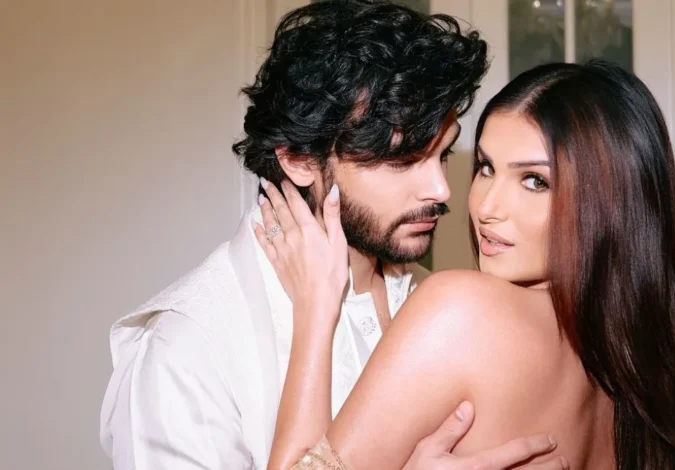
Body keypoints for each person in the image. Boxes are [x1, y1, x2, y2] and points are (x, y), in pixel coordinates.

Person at [99, 1, 565, 469]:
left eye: (442, 155)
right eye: (402, 160)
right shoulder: (187, 348)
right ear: (299, 160)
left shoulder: (443, 304)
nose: (441, 189)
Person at [255, 60, 675, 470]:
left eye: (534, 181)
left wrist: (315, 310)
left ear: (610, 203)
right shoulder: (632, 372)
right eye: (486, 167)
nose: (486, 207)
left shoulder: (462, 310)